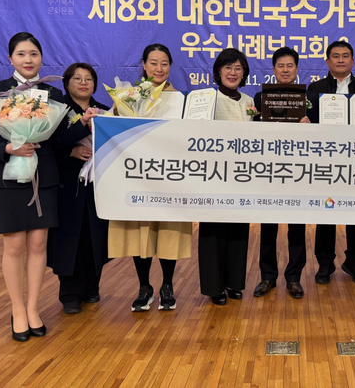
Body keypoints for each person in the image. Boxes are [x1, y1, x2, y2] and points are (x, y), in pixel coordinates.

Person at [0, 32, 70, 341]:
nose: (28, 60)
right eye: (21, 54)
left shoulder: (52, 93)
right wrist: (8, 148)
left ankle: (33, 308)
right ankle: (17, 309)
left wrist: (81, 127)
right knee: (14, 245)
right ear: (10, 58)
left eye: (34, 54)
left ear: (42, 58)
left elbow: (59, 140)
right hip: (6, 178)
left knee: (38, 244)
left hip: (44, 177)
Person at [108, 44, 192, 312]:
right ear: (143, 65)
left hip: (171, 176)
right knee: (140, 231)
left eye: (164, 63)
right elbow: (114, 128)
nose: (159, 68)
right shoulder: (128, 97)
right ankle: (144, 286)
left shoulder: (181, 99)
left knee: (168, 231)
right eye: (153, 63)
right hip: (138, 176)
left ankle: (168, 285)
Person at [307, 40, 355, 286]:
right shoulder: (315, 88)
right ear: (327, 61)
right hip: (326, 160)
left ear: (353, 61)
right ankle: (325, 263)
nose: (341, 60)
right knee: (326, 211)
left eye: (346, 56)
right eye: (335, 56)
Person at [47, 63, 111, 314]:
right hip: (68, 187)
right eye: (77, 78)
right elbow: (50, 145)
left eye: (89, 79)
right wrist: (71, 152)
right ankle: (70, 293)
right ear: (66, 83)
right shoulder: (55, 111)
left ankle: (92, 287)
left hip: (98, 187)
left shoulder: (106, 112)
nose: (84, 83)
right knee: (70, 240)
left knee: (95, 237)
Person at [252, 46, 311, 299]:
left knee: (297, 226)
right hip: (270, 170)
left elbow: (323, 136)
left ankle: (294, 278)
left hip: (298, 170)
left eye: (290, 66)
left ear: (297, 69)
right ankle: (267, 276)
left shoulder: (308, 98)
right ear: (273, 69)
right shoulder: (259, 98)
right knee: (268, 226)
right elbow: (252, 132)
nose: (285, 70)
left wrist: (311, 126)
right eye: (280, 66)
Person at [198, 48, 254, 305]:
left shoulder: (249, 101)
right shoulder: (207, 99)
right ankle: (214, 287)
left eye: (238, 68)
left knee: (238, 229)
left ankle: (234, 282)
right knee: (213, 230)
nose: (233, 72)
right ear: (218, 71)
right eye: (228, 67)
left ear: (244, 73)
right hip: (214, 175)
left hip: (242, 177)